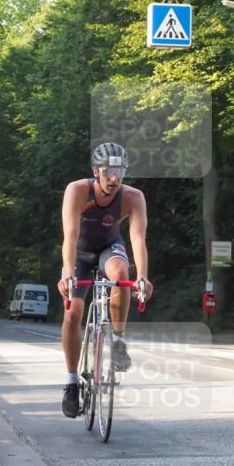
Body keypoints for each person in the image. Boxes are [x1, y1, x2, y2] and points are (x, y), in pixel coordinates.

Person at [58, 142, 153, 418]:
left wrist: (143, 277)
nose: (115, 178)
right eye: (109, 171)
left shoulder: (133, 197)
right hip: (79, 252)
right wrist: (67, 272)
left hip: (109, 248)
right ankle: (72, 382)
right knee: (72, 314)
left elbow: (138, 239)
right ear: (95, 171)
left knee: (122, 275)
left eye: (120, 171)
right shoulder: (77, 190)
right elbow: (70, 236)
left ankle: (119, 340)